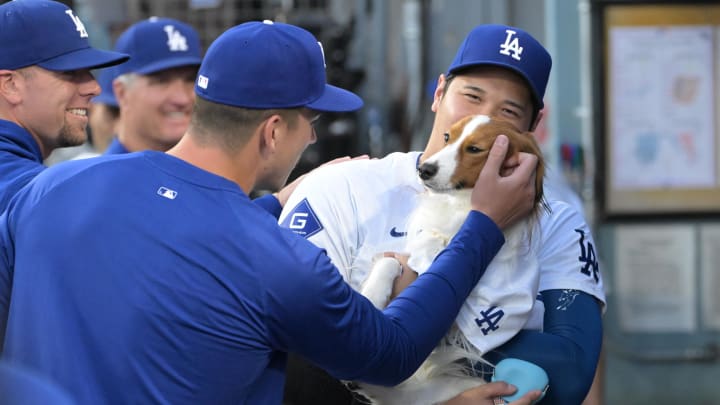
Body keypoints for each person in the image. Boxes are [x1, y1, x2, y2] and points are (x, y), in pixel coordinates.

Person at [0, 20, 539, 404]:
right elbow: (393, 353)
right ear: (274, 130)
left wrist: (268, 204)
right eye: (310, 121)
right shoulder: (280, 260)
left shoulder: (57, 186)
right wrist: (484, 226)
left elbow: (181, 223)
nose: (311, 136)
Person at [280, 24, 606, 404]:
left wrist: (410, 305)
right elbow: (300, 354)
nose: (482, 119)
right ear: (439, 93)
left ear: (531, 127)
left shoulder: (555, 220)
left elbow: (570, 374)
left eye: (508, 111)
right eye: (472, 96)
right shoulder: (344, 187)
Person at [0, 0, 128, 212]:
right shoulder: (26, 194)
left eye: (89, 71)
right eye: (69, 72)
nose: (94, 88)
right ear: (11, 85)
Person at [104, 17, 202, 154]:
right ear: (122, 93)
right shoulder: (100, 175)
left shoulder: (221, 171)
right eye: (161, 81)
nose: (183, 99)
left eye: (191, 80)